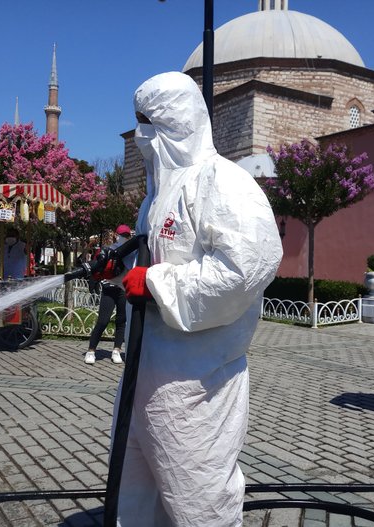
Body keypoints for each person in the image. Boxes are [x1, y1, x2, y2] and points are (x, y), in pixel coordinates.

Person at [116, 72, 282, 526]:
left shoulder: (222, 181)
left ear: (178, 120)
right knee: (135, 491)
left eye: (149, 121)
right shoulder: (154, 197)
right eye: (136, 122)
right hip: (143, 373)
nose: (143, 134)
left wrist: (155, 283)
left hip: (196, 384)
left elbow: (246, 268)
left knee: (197, 498)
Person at [84, 225, 131, 365]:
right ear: (116, 235)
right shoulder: (109, 249)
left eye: (127, 235)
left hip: (123, 289)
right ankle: (91, 350)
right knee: (103, 320)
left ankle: (117, 350)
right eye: (122, 235)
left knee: (121, 321)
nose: (125, 238)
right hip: (109, 287)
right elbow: (98, 266)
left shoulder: (132, 251)